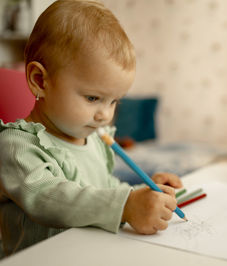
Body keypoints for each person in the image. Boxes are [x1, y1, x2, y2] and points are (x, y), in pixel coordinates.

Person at [0, 0, 182, 256]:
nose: (105, 115)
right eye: (93, 98)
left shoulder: (93, 139)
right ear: (40, 80)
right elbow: (50, 198)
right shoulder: (16, 146)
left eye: (114, 101)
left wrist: (141, 194)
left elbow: (103, 187)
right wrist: (125, 206)